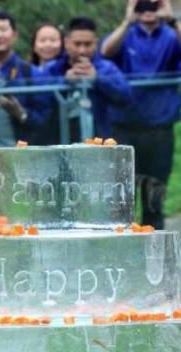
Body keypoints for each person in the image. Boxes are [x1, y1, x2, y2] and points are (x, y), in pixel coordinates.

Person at [100, 0, 181, 229]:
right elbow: (105, 52)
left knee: (154, 198)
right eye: (143, 3)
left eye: (154, 4)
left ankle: (155, 257)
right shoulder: (124, 34)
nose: (148, 8)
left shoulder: (171, 36)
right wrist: (128, 20)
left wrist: (172, 18)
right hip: (123, 129)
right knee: (120, 200)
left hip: (159, 129)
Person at [44, 17, 131, 141]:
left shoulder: (107, 68)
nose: (82, 50)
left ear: (96, 43)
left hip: (99, 140)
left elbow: (126, 95)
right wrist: (64, 82)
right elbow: (39, 100)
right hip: (59, 141)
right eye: (77, 44)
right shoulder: (52, 69)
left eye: (87, 44)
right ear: (67, 43)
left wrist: (97, 79)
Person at [0, 11, 52, 148]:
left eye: (3, 30)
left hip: (17, 153)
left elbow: (45, 121)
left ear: (15, 35)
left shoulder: (31, 73)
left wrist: (21, 113)